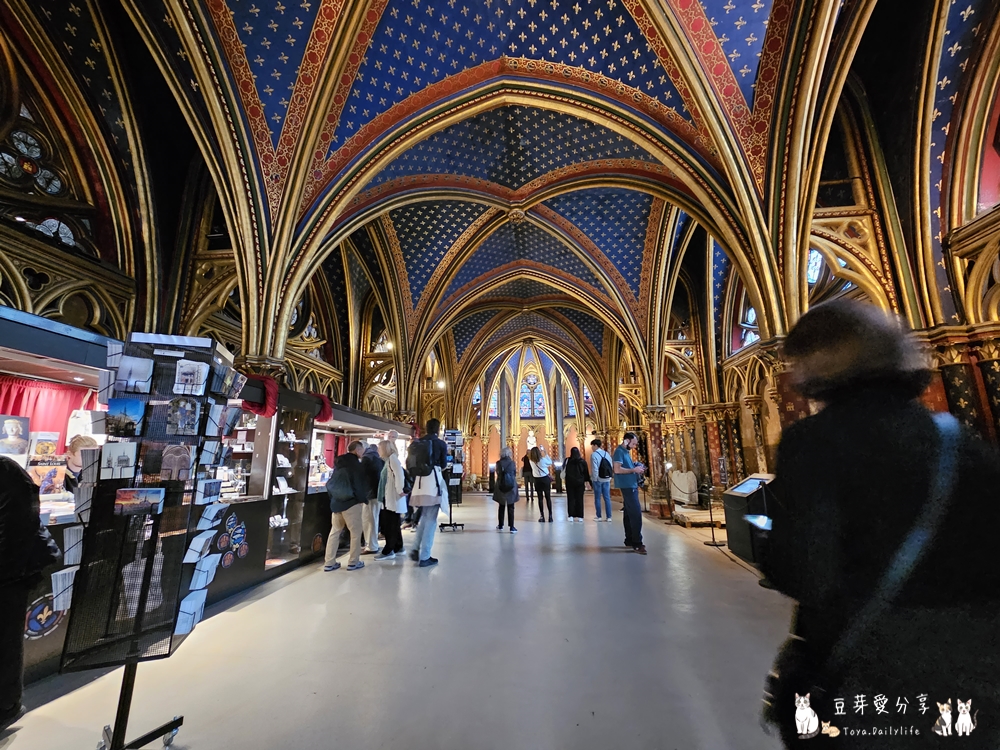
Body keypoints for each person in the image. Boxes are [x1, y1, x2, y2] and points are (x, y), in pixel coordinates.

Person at [761, 300, 1000, 748]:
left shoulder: (814, 443)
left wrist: (770, 547)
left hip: (875, 666)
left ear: (822, 365)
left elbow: (804, 570)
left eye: (797, 362)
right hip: (976, 667)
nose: (791, 376)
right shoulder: (955, 438)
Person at [1, 455, 59, 732]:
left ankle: (6, 707)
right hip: (12, 573)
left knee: (6, 644)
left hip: (9, 577)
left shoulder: (6, 471)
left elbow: (18, 529)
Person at [407, 419, 449, 567]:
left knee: (424, 517)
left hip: (419, 484)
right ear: (438, 430)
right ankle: (424, 556)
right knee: (431, 520)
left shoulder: (417, 443)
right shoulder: (440, 444)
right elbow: (443, 465)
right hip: (432, 483)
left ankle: (415, 548)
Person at [324, 441, 369, 572]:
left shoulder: (339, 462)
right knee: (355, 533)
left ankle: (329, 562)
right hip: (351, 503)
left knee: (335, 532)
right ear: (357, 450)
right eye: (362, 449)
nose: (363, 452)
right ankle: (353, 562)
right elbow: (357, 484)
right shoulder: (355, 465)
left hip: (337, 503)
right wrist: (362, 500)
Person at [614, 432, 646, 554]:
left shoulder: (625, 452)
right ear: (626, 441)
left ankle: (629, 539)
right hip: (627, 486)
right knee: (636, 514)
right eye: (633, 443)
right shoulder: (619, 452)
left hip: (630, 484)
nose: (634, 446)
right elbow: (617, 470)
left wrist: (636, 467)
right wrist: (634, 469)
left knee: (628, 514)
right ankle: (637, 543)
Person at [374, 440, 406, 560]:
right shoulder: (389, 460)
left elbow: (399, 475)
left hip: (392, 497)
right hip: (389, 497)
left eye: (380, 448)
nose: (378, 451)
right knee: (394, 522)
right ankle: (398, 546)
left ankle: (389, 549)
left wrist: (399, 490)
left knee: (390, 524)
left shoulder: (392, 459)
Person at [360, 442, 384, 555]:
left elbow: (363, 477)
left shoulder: (366, 458)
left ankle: (371, 546)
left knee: (369, 520)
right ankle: (371, 544)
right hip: (376, 493)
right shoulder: (375, 456)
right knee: (373, 519)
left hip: (370, 494)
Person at [493, 446, 519, 533]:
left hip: (501, 485)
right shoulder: (512, 463)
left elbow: (498, 473)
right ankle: (512, 527)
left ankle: (500, 525)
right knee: (511, 506)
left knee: (501, 506)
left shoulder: (498, 463)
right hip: (511, 486)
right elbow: (514, 473)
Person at [563, 447, 590, 522]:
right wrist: (587, 482)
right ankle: (580, 516)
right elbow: (586, 473)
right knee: (579, 499)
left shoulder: (567, 460)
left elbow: (563, 469)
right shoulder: (582, 461)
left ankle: (571, 515)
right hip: (580, 483)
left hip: (570, 482)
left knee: (571, 499)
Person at [589, 438, 613, 522]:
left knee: (597, 498)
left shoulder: (594, 455)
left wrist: (594, 479)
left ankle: (599, 516)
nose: (592, 448)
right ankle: (609, 517)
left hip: (598, 479)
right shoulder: (607, 454)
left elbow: (594, 468)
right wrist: (609, 477)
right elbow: (611, 466)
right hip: (607, 479)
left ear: (595, 445)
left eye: (592, 446)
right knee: (607, 498)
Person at [529, 445, 553, 522]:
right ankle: (550, 516)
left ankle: (542, 516)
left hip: (537, 480)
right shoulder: (542, 460)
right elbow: (550, 462)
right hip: (545, 479)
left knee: (540, 498)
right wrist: (545, 454)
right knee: (548, 498)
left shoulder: (531, 461)